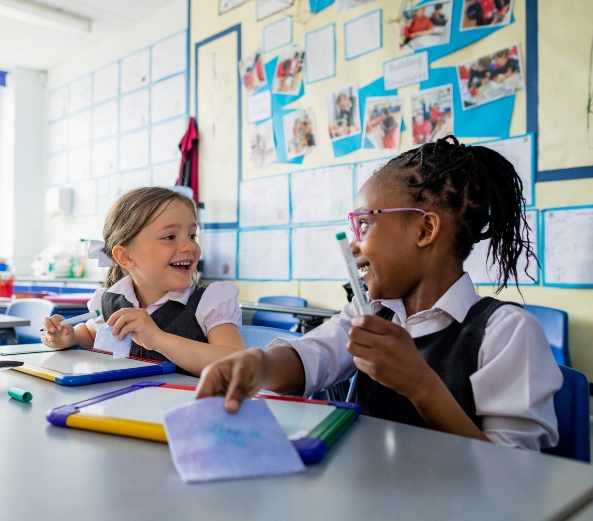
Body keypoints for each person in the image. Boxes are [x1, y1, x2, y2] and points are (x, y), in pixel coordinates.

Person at [195, 136, 562, 452]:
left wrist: (420, 385)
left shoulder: (505, 333)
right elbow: (312, 356)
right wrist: (258, 366)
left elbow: (514, 475)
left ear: (425, 230)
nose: (354, 245)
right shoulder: (369, 312)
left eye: (365, 224)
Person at [41, 187, 245, 376]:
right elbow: (91, 332)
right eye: (169, 236)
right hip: (125, 408)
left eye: (192, 235)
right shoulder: (111, 300)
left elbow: (239, 364)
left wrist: (158, 339)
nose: (189, 246)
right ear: (125, 257)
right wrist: (70, 337)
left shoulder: (210, 301)